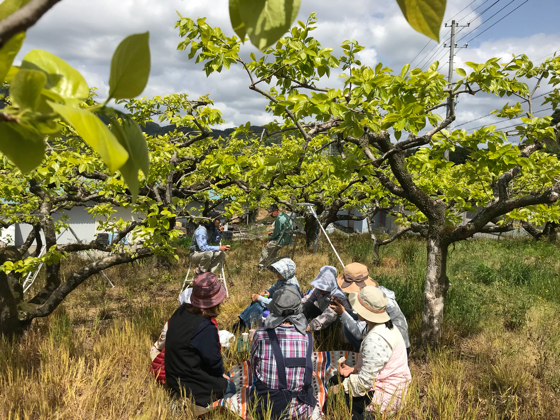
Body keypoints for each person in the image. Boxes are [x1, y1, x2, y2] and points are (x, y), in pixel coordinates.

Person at [326, 286, 411, 419]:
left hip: (386, 391)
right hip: (382, 380)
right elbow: (372, 365)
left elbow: (364, 382)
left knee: (332, 403)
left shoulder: (376, 339)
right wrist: (353, 369)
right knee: (333, 380)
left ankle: (370, 414)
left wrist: (341, 387)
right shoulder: (382, 325)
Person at [165, 273, 235, 410]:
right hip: (191, 384)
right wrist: (221, 374)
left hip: (173, 378)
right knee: (231, 386)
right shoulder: (205, 328)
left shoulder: (180, 311)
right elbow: (213, 361)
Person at [250, 286, 317, 419]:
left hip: (268, 408)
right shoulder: (307, 337)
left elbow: (254, 368)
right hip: (301, 410)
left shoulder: (261, 335)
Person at [330, 263, 410, 354]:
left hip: (392, 350)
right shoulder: (376, 292)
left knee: (347, 327)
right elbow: (359, 315)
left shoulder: (370, 299)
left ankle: (365, 355)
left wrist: (342, 313)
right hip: (400, 345)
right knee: (350, 318)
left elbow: (358, 332)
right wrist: (343, 309)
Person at [233, 258, 301, 332]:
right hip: (277, 305)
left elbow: (278, 305)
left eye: (279, 272)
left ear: (286, 273)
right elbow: (273, 288)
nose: (277, 273)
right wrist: (268, 292)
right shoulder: (284, 280)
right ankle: (243, 322)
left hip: (283, 312)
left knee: (259, 307)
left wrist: (259, 298)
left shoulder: (291, 287)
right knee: (258, 303)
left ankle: (244, 326)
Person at [301, 265, 352, 332]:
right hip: (323, 315)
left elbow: (327, 317)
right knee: (307, 305)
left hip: (337, 324)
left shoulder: (338, 296)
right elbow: (306, 300)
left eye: (323, 288)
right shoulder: (318, 289)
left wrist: (309, 327)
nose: (320, 289)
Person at [257, 204, 293, 269]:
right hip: (288, 239)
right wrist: (274, 232)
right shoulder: (285, 216)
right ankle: (273, 266)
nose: (271, 215)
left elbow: (276, 233)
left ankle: (261, 266)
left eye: (272, 213)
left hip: (281, 241)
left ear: (276, 211)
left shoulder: (279, 219)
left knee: (266, 248)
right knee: (272, 250)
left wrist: (269, 240)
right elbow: (283, 229)